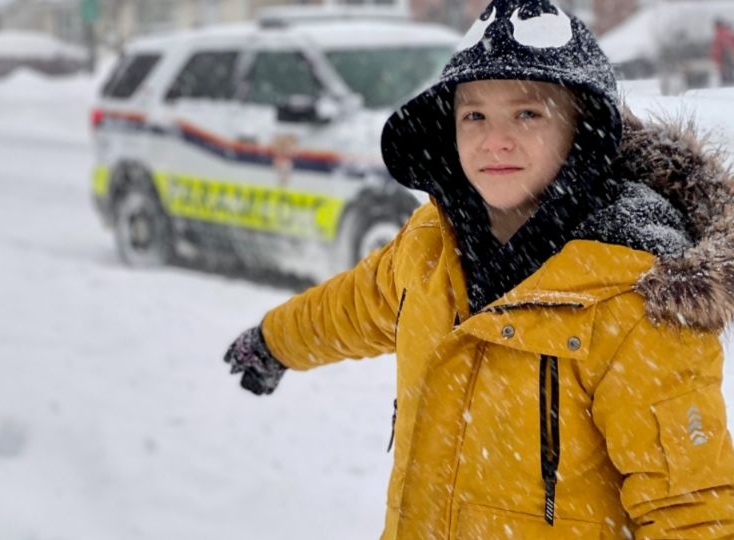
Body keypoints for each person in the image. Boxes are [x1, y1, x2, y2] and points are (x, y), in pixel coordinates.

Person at [222, 0, 734, 538]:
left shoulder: (632, 294)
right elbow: (355, 306)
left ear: (582, 128)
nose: (495, 140)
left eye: (528, 113)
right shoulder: (432, 245)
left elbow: (691, 509)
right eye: (475, 115)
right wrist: (275, 340)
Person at [713, 18, 734, 85]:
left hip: (724, 55)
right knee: (728, 72)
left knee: (726, 74)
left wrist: (717, 57)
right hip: (727, 55)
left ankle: (727, 85)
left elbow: (718, 47)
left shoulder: (720, 32)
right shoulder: (727, 32)